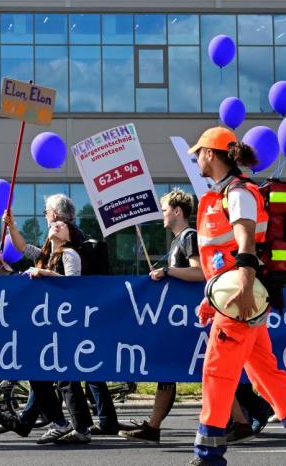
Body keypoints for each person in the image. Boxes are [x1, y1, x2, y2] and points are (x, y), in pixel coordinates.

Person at [186, 126, 286, 466]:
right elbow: (218, 258)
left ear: (212, 153)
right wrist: (211, 298)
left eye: (198, 152)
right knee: (265, 374)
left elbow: (245, 243)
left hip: (242, 297)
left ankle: (208, 454)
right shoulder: (224, 193)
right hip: (237, 297)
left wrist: (242, 284)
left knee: (216, 371)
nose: (195, 157)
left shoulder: (238, 192)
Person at [0, 217, 95, 445]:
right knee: (39, 374)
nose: (56, 225)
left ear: (69, 237)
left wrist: (45, 274)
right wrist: (11, 227)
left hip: (65, 324)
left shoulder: (69, 255)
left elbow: (74, 284)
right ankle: (60, 423)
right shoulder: (44, 255)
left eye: (63, 226)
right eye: (54, 223)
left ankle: (81, 429)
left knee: (66, 377)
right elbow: (21, 247)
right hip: (46, 325)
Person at [121, 189, 202, 445]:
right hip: (177, 321)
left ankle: (243, 421)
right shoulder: (177, 241)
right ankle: (153, 427)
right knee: (167, 371)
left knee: (205, 372)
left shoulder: (190, 237)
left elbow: (200, 272)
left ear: (178, 211)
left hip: (190, 319)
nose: (162, 215)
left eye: (165, 209)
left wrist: (167, 271)